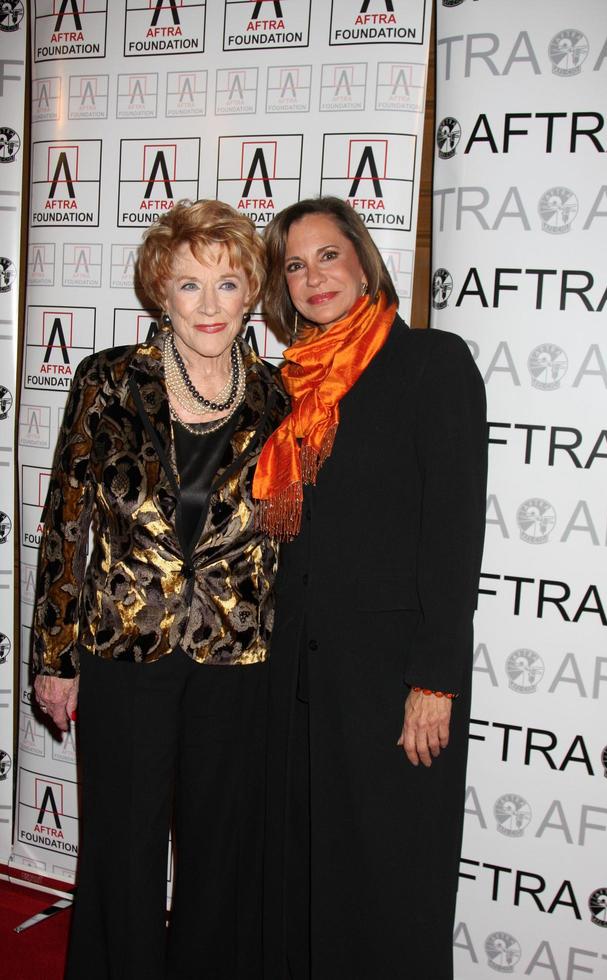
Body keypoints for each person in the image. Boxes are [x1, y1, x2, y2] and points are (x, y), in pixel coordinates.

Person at [32, 199, 288, 980]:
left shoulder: (280, 397)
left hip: (236, 661)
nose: (208, 305)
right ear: (160, 292)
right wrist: (55, 654)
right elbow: (65, 521)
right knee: (123, 843)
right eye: (188, 285)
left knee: (222, 850)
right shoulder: (109, 381)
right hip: (126, 650)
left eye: (226, 283)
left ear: (251, 293)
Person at [253, 197, 487, 980]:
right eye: (293, 264)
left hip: (393, 683)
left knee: (391, 890)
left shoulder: (432, 363)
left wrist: (435, 680)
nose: (312, 276)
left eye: (327, 255)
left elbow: (453, 538)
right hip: (297, 680)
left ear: (362, 259)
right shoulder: (290, 388)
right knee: (302, 888)